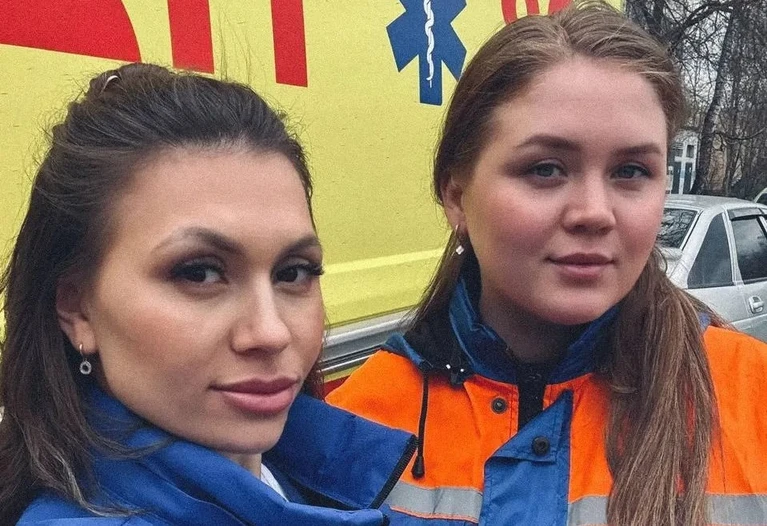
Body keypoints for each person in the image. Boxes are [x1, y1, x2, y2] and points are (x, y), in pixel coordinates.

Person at [327, 2, 767, 525]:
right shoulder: (354, 423)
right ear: (456, 196)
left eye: (631, 171)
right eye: (545, 169)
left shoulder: (753, 397)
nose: (594, 213)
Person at [0, 63, 415, 525]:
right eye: (198, 274)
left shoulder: (310, 470)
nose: (271, 332)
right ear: (77, 308)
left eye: (294, 272)